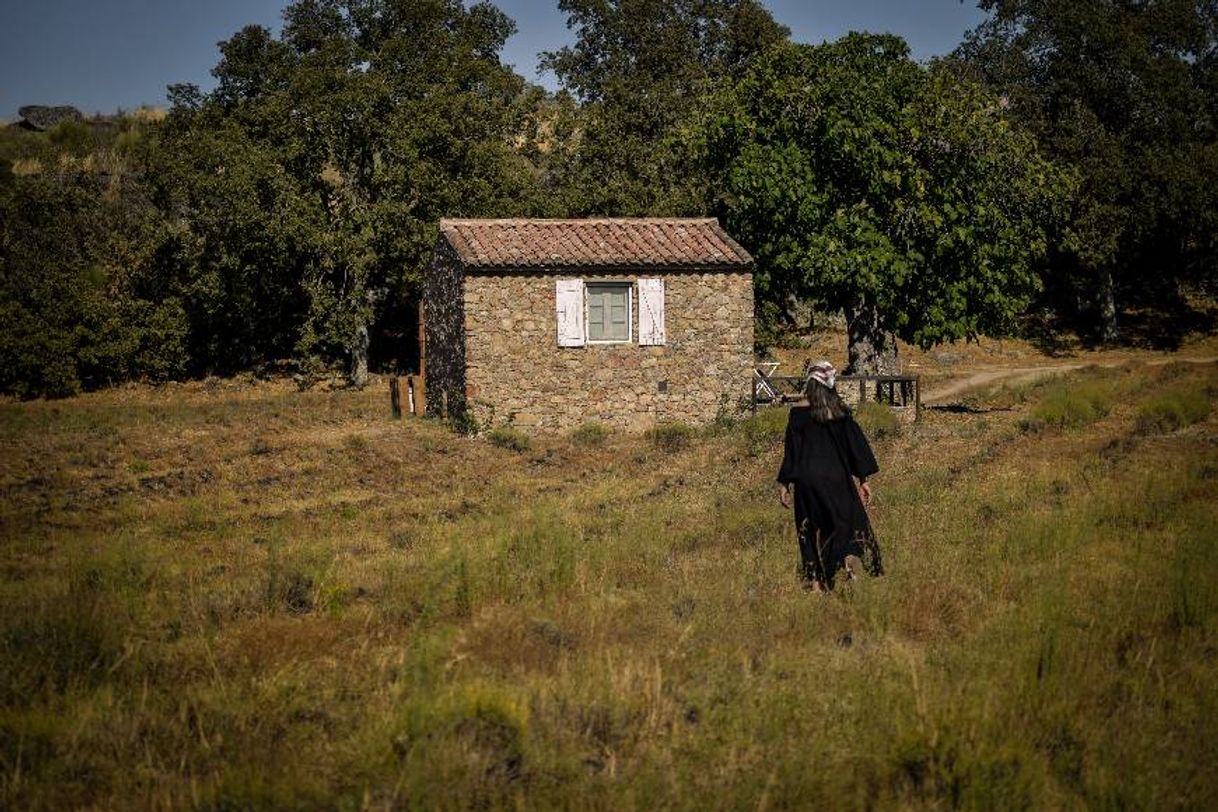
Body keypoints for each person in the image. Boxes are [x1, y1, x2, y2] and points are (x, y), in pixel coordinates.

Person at [777, 360, 883, 591]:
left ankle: (816, 584)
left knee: (810, 528)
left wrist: (785, 484)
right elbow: (855, 447)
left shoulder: (797, 413)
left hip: (807, 480)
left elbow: (791, 450)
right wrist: (863, 480)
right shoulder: (838, 412)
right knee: (845, 521)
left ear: (809, 383)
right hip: (835, 477)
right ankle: (848, 562)